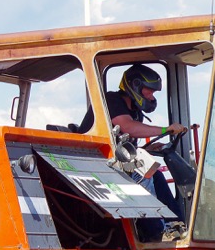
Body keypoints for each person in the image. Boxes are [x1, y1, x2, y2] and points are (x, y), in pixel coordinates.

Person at [80, 64, 189, 225]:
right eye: (149, 91)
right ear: (135, 86)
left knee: (156, 175)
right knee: (143, 176)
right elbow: (128, 128)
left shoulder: (135, 112)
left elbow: (126, 144)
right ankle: (155, 229)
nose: (151, 97)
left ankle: (176, 224)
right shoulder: (111, 100)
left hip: (115, 163)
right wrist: (166, 129)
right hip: (93, 165)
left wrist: (147, 149)